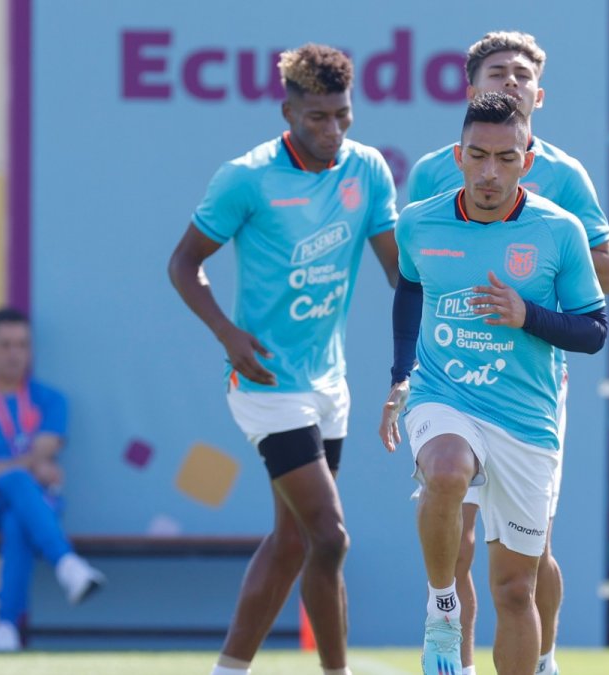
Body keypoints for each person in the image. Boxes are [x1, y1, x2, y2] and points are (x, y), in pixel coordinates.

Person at [168, 43, 399, 675]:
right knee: (330, 534)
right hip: (267, 382)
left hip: (330, 385)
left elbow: (400, 274)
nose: (333, 130)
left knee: (295, 539)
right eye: (318, 117)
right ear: (288, 110)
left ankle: (228, 669)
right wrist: (226, 333)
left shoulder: (368, 170)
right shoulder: (246, 177)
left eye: (343, 116)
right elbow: (184, 264)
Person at [405, 31, 609, 675]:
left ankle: (543, 654)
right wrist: (402, 372)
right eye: (498, 72)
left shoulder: (562, 185)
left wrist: (532, 306)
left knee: (524, 565)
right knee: (454, 506)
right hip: (451, 378)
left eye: (523, 75)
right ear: (472, 91)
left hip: (532, 380)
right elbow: (415, 277)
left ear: (539, 96)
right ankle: (452, 648)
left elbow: (601, 279)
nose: (511, 83)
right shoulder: (432, 179)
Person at [0, 307, 105, 652]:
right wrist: (25, 467)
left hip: (35, 508)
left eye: (22, 345)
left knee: (17, 518)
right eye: (5, 345)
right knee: (17, 481)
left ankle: (4, 628)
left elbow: (42, 455)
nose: (15, 354)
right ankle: (67, 564)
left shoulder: (51, 400)